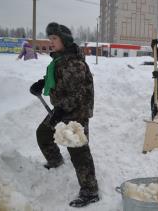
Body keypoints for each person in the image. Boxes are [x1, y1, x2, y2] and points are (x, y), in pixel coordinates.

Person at [29, 22, 99, 208]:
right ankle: (55, 160)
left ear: (64, 40)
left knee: (78, 151)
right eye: (50, 38)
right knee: (43, 134)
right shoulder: (60, 60)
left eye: (54, 38)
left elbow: (78, 94)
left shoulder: (75, 63)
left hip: (77, 112)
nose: (51, 42)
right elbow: (58, 79)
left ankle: (90, 191)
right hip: (62, 108)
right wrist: (42, 83)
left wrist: (60, 110)